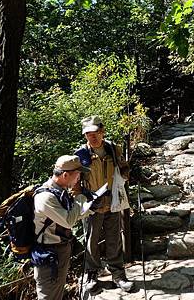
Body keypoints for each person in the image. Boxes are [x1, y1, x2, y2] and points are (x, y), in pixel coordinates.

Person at [73, 115, 133, 294]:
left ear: (102, 131)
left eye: (95, 133)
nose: (92, 137)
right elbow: (75, 184)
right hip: (91, 204)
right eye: (88, 134)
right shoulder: (80, 155)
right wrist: (81, 202)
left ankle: (118, 274)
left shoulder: (113, 149)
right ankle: (92, 275)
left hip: (112, 201)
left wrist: (125, 174)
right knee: (91, 240)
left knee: (114, 237)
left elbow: (124, 169)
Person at [33, 154, 97, 300]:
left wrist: (91, 208)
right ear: (65, 175)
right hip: (48, 254)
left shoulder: (60, 192)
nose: (79, 179)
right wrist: (80, 197)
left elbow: (67, 216)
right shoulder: (46, 197)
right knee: (48, 295)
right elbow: (68, 220)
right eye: (77, 175)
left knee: (57, 292)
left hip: (60, 249)